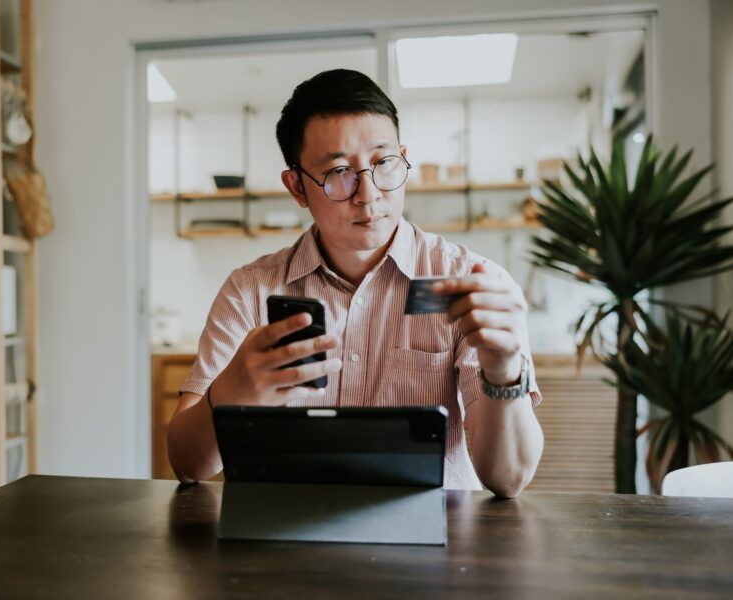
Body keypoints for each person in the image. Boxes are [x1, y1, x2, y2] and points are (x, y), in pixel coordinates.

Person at [167, 69, 543, 497]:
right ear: (297, 187)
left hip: (434, 549)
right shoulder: (250, 292)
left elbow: (507, 479)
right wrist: (228, 395)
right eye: (339, 172)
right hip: (283, 542)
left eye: (383, 164)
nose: (368, 194)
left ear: (402, 157)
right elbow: (186, 463)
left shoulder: (467, 283)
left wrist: (503, 370)